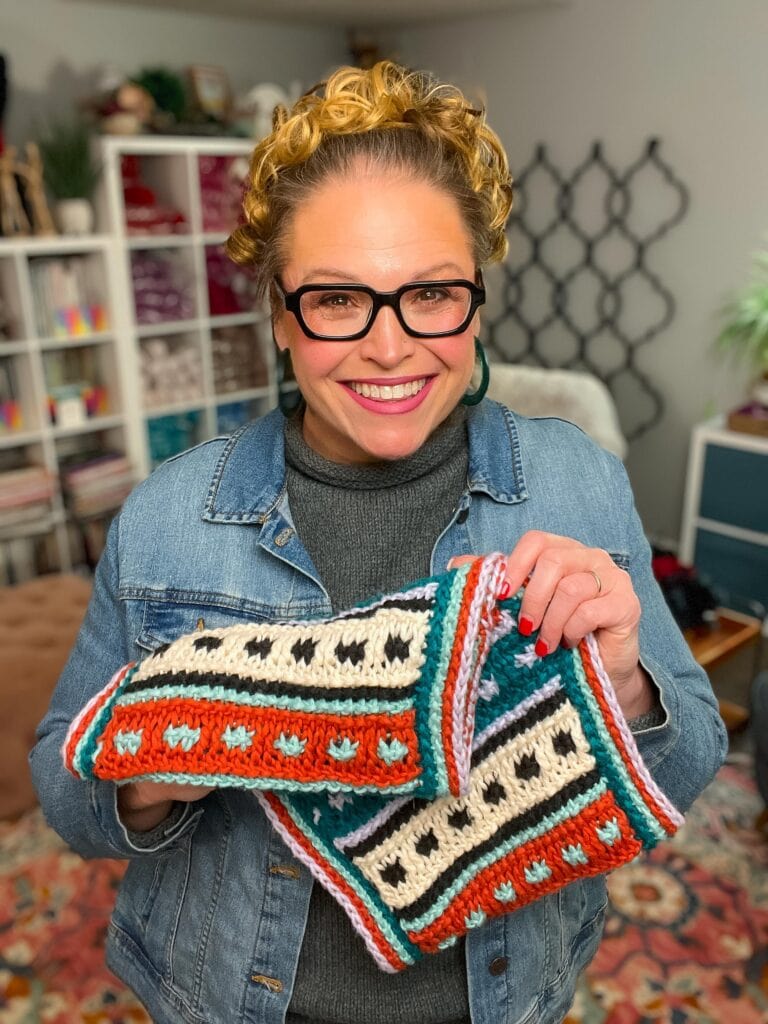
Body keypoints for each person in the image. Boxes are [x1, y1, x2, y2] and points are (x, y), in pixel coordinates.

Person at [31, 61, 727, 1024]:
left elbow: (690, 760)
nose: (390, 347)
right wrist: (158, 768)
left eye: (431, 293)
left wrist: (627, 686)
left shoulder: (578, 484)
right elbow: (64, 793)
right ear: (280, 314)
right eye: (336, 300)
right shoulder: (168, 519)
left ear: (477, 299)